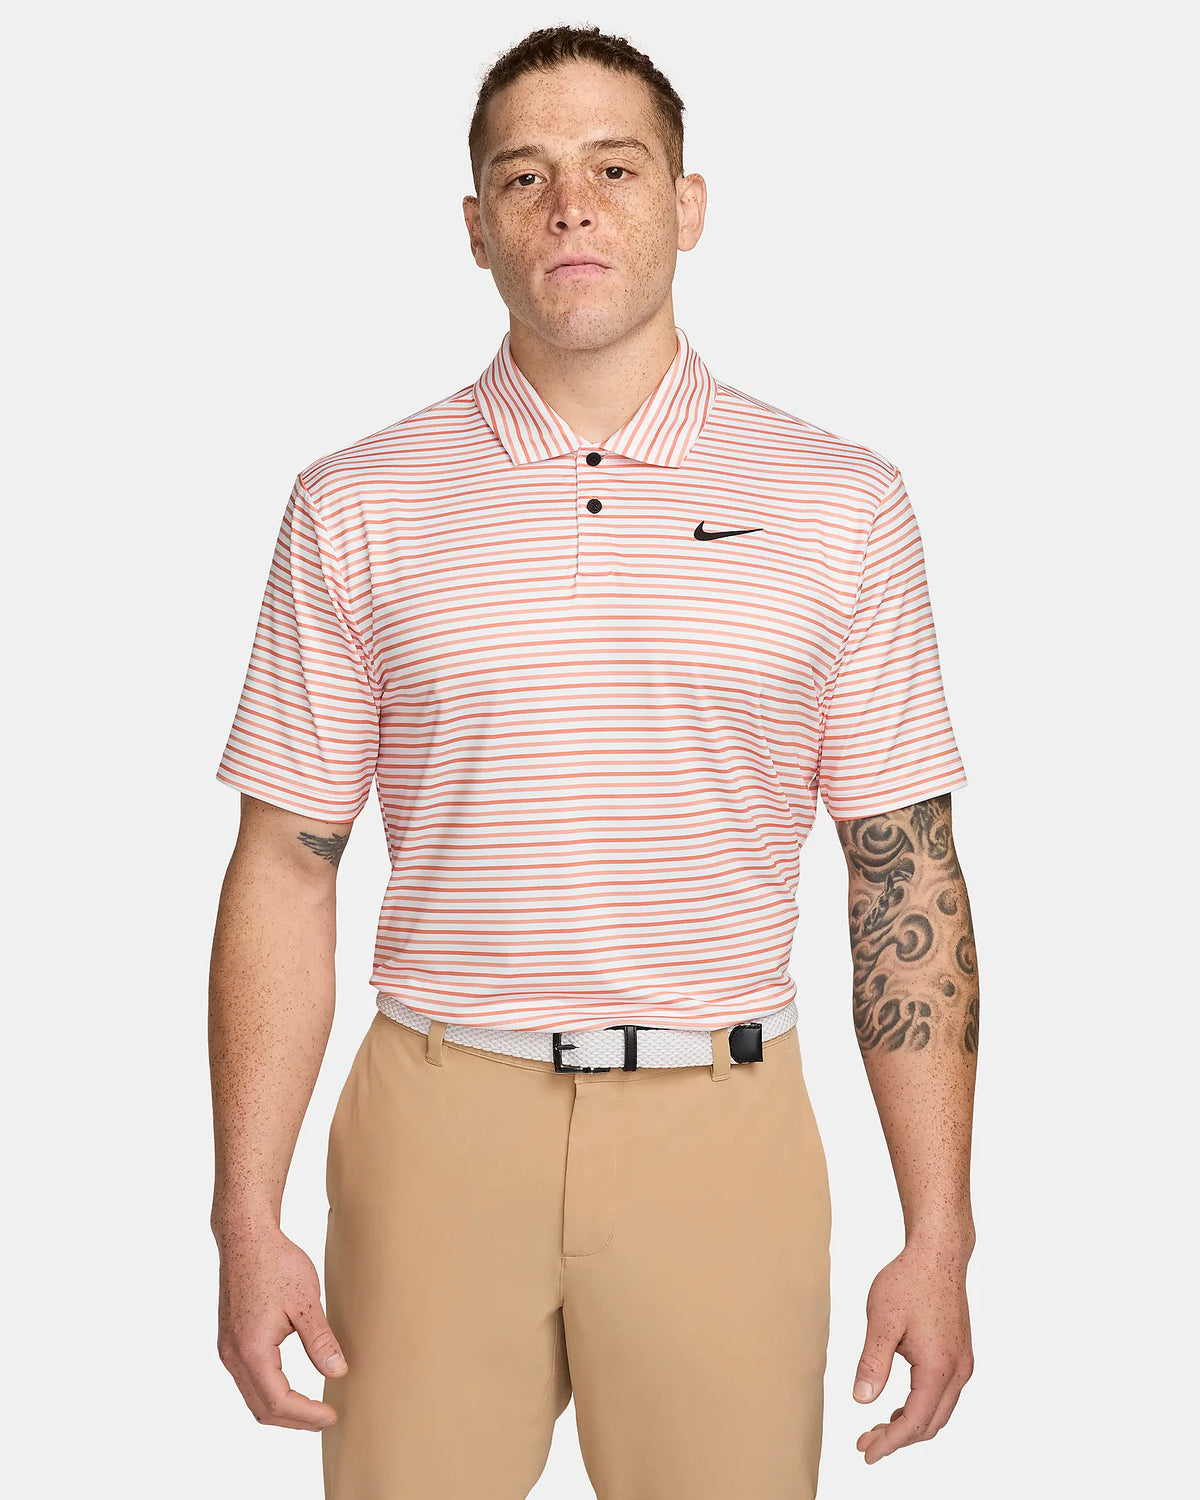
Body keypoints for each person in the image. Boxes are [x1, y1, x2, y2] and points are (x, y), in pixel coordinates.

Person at [208, 23, 978, 1500]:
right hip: (433, 1127)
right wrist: (247, 1217)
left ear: (688, 206)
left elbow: (904, 874)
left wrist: (939, 1232)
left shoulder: (845, 503)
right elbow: (284, 870)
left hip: (724, 1131)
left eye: (615, 169)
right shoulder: (355, 503)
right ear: (476, 226)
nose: (571, 206)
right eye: (526, 175)